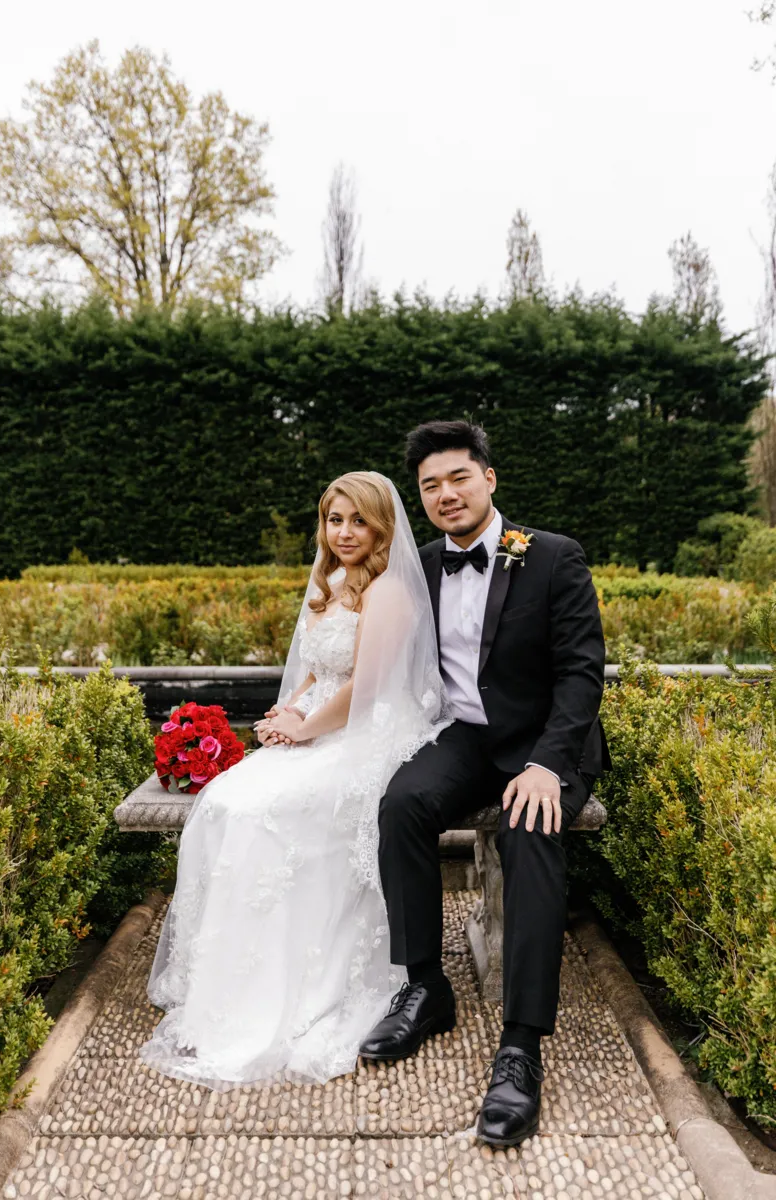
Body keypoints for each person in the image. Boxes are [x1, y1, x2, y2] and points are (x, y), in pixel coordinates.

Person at [140, 471, 451, 1088]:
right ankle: (226, 975)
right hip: (323, 723)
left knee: (266, 813)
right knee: (227, 801)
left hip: (368, 735)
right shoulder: (329, 579)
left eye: (359, 521)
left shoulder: (390, 593)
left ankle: (295, 979)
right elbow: (317, 671)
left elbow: (365, 690)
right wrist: (289, 712)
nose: (344, 533)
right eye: (335, 520)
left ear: (382, 526)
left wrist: (307, 730)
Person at [358, 420, 611, 1149]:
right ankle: (425, 986)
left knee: (530, 828)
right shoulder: (422, 566)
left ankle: (521, 1046)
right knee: (402, 803)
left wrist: (546, 764)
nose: (445, 494)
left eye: (457, 478)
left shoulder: (555, 557)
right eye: (430, 485)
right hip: (466, 734)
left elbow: (581, 673)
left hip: (543, 742)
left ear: (488, 479)